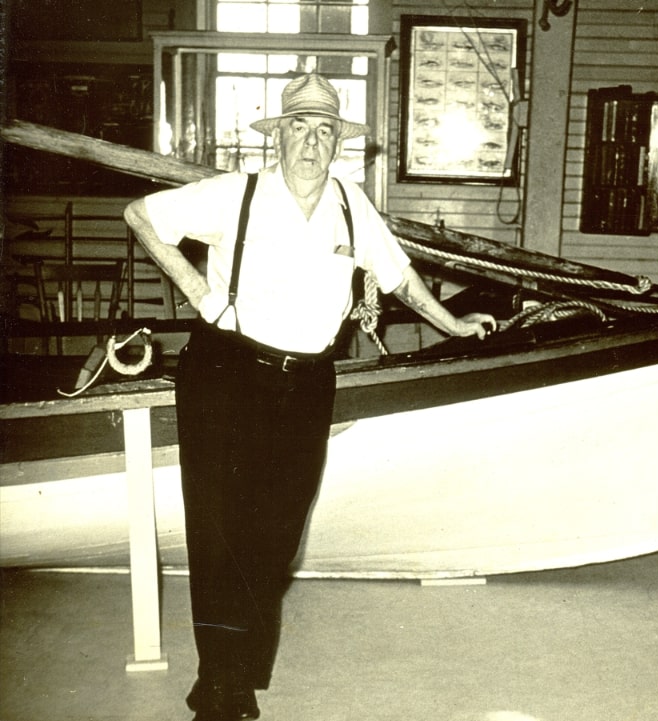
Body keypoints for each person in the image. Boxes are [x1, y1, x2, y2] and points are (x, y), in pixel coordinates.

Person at [124, 73, 496, 721]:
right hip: (226, 371)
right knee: (221, 531)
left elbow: (400, 278)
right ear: (279, 135)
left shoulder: (351, 204)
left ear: (336, 143)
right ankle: (225, 688)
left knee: (277, 535)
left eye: (326, 130)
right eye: (300, 126)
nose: (312, 143)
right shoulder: (234, 195)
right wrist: (202, 294)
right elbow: (141, 216)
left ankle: (230, 668)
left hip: (308, 384)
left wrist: (454, 323)